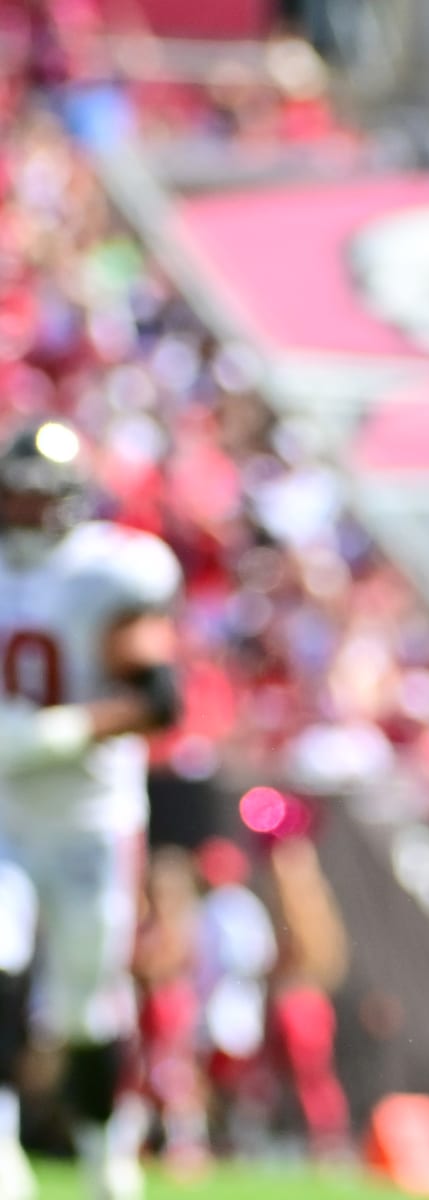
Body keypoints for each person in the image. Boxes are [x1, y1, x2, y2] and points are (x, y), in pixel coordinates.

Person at [0, 419, 184, 1200]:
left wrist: (54, 732)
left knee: (83, 1009)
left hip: (88, 819)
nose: (26, 510)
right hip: (5, 813)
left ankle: (106, 1155)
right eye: (17, 494)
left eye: (40, 496)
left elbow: (158, 700)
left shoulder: (110, 570)